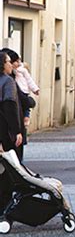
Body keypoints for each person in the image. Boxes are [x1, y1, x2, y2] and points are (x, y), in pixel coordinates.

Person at [0, 52, 24, 226]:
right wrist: (17, 131)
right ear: (3, 64)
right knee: (10, 171)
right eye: (8, 62)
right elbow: (10, 106)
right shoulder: (7, 82)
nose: (11, 65)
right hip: (6, 133)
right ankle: (4, 210)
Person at [2, 49, 39, 126]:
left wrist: (35, 89)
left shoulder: (18, 73)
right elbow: (15, 100)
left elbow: (29, 79)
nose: (18, 63)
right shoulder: (9, 80)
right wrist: (30, 102)